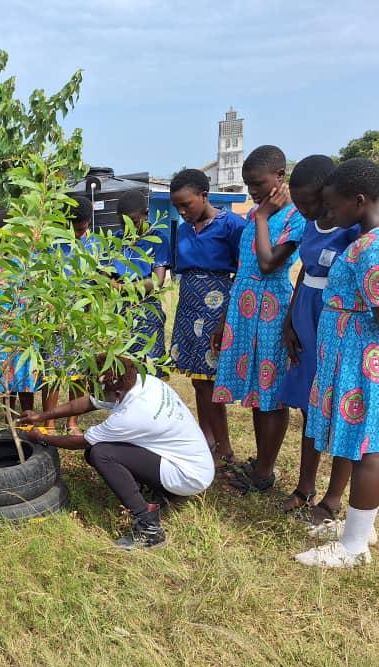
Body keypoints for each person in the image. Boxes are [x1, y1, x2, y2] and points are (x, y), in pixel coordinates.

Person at [296, 159, 379, 567]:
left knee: (368, 445)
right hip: (357, 351)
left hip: (362, 354)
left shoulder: (373, 248)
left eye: (334, 207)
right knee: (365, 438)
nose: (329, 216)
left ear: (358, 200)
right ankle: (360, 527)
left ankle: (353, 547)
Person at [19, 358, 213, 550]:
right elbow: (89, 402)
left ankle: (149, 528)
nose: (97, 395)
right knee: (102, 448)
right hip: (193, 462)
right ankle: (161, 492)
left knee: (100, 453)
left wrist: (41, 438)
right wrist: (41, 416)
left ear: (117, 392)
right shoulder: (146, 382)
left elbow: (81, 442)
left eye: (102, 391)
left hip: (187, 476)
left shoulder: (132, 415)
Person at [212, 145, 306, 493]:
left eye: (257, 183)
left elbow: (269, 264)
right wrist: (225, 319)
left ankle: (265, 471)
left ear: (280, 177)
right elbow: (244, 268)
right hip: (244, 307)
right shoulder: (254, 214)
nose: (252, 191)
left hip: (272, 309)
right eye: (247, 184)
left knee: (271, 394)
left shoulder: (294, 217)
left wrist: (265, 216)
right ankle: (261, 465)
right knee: (256, 392)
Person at [276, 156, 359, 517]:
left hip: (338, 318)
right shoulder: (311, 226)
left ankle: (334, 498)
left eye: (311, 201)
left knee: (340, 405)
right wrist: (290, 320)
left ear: (330, 192)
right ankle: (305, 485)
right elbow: (304, 272)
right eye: (299, 203)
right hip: (307, 313)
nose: (306, 209)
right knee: (311, 404)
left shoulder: (353, 228)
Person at [168, 169, 245, 468]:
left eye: (187, 204)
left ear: (204, 195)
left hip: (217, 305)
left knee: (213, 382)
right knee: (199, 381)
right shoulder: (184, 228)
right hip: (189, 304)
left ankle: (224, 447)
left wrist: (225, 318)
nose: (182, 211)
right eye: (177, 207)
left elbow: (243, 270)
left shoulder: (232, 225)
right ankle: (206, 440)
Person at [44, 196, 99, 432]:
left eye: (83, 228)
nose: (79, 233)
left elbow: (95, 281)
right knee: (53, 370)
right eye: (74, 228)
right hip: (55, 314)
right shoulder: (52, 243)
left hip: (81, 315)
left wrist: (88, 314)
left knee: (78, 369)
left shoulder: (93, 244)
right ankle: (49, 420)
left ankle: (72, 421)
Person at [109, 189, 170, 375]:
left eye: (133, 221)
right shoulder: (116, 241)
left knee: (150, 368)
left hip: (147, 310)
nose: (128, 227)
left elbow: (157, 281)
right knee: (125, 369)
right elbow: (106, 274)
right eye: (123, 222)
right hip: (121, 311)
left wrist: (124, 287)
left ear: (146, 214)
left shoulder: (157, 239)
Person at [0, 208, 38, 413]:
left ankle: (26, 420)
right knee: (6, 382)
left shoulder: (26, 261)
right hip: (0, 333)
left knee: (25, 378)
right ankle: (10, 421)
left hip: (24, 330)